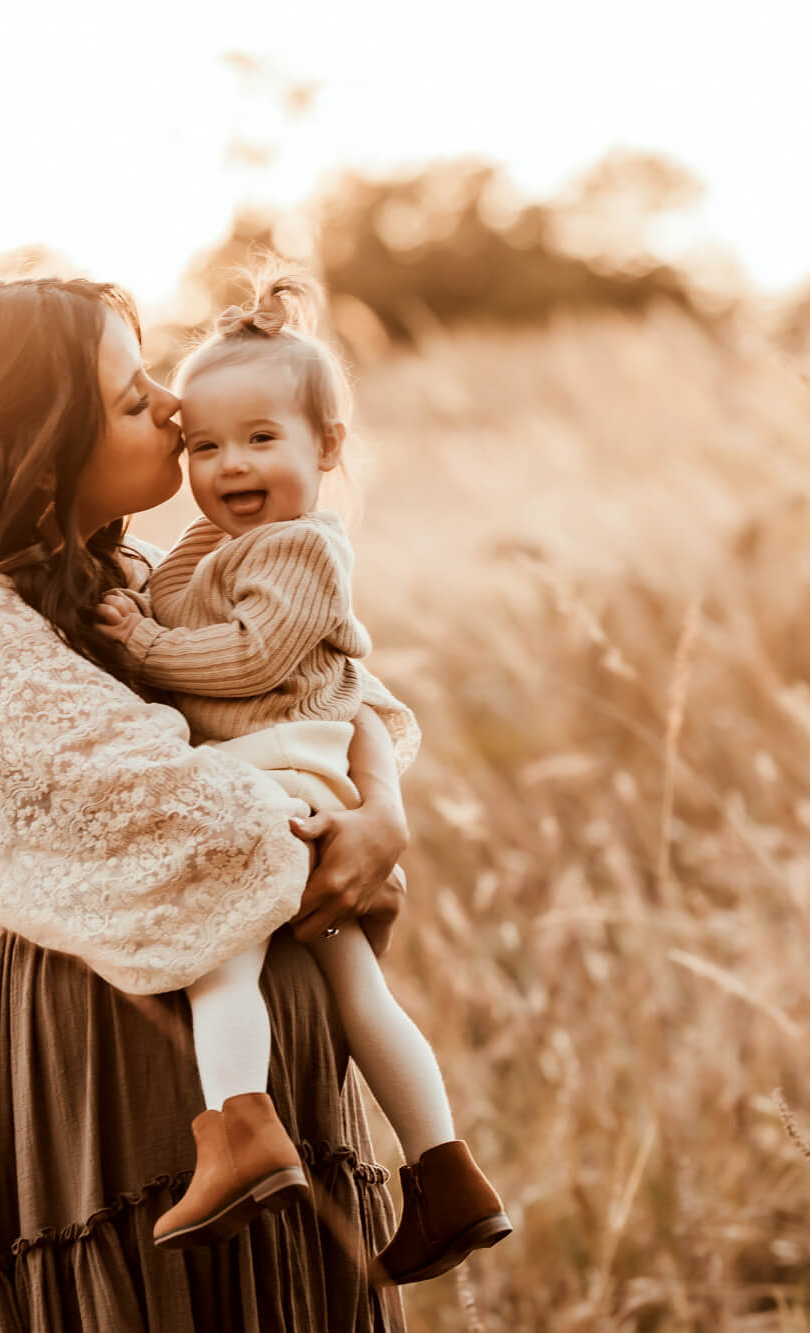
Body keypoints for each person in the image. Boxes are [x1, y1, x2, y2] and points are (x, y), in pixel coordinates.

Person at [0, 276, 413, 1330]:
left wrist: (382, 808)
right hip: (121, 1045)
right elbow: (174, 798)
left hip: (271, 1033)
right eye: (134, 400)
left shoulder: (140, 581)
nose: (175, 412)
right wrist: (316, 806)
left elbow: (337, 689)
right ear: (44, 443)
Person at [94, 270, 509, 1285]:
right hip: (288, 781)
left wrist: (142, 645)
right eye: (202, 444)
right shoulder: (227, 537)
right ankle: (445, 1177)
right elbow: (189, 579)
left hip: (281, 776)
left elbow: (247, 659)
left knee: (220, 953)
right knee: (355, 990)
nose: (228, 464)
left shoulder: (304, 548)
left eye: (260, 438)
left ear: (326, 450)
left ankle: (239, 1130)